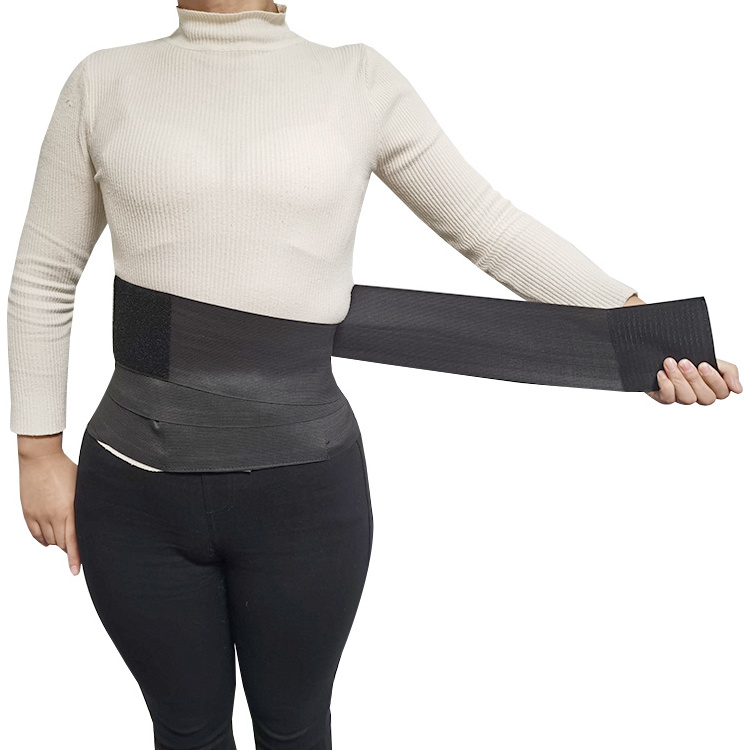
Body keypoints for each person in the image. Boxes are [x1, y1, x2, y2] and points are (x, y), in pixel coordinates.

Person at [8, 2, 742, 749]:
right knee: (184, 731)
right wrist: (37, 453)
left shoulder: (355, 79)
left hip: (302, 498)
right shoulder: (103, 81)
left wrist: (643, 333)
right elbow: (45, 271)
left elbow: (489, 227)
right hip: (134, 489)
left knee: (296, 731)